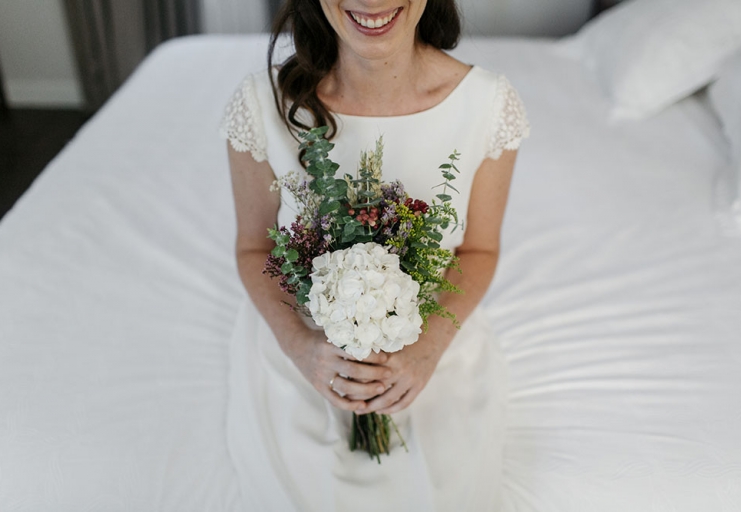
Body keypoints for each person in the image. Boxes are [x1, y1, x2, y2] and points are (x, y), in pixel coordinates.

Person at [220, 1, 529, 510]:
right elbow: (254, 246)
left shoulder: (488, 104)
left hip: (432, 340)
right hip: (302, 345)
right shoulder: (261, 103)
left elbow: (479, 249)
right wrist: (302, 349)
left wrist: (426, 350)